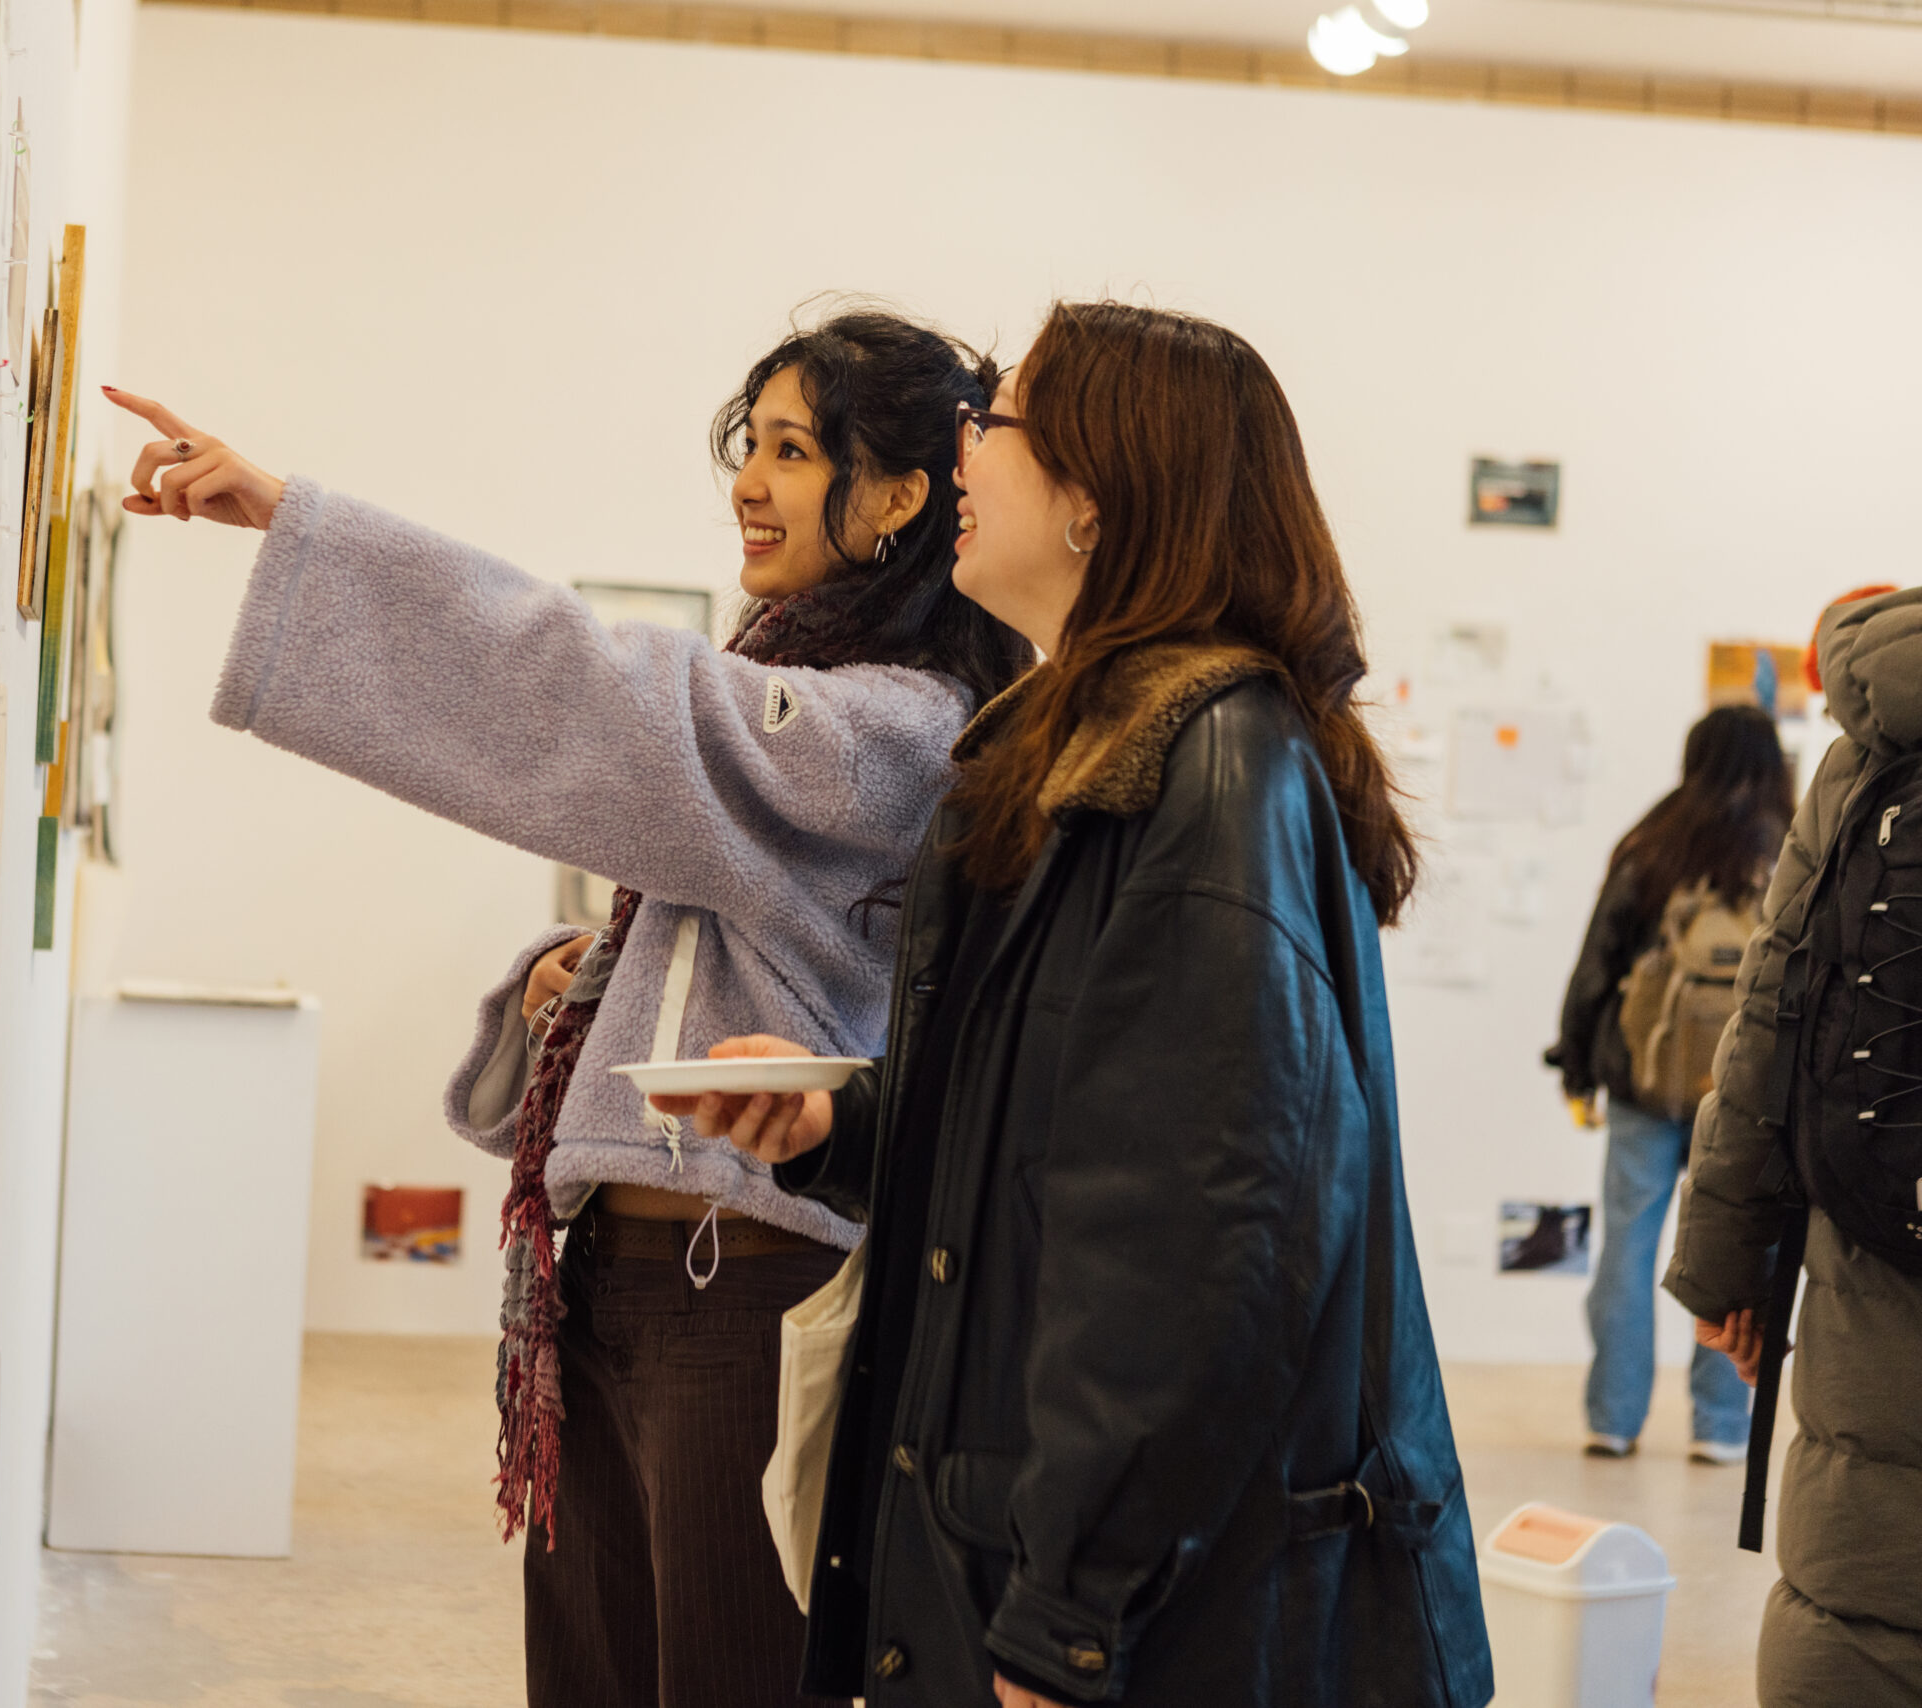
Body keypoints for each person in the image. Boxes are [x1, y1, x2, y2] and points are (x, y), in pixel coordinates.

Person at [104, 309, 1031, 1708]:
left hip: (746, 1285)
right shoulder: (805, 697)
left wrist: (300, 521)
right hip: (618, 1276)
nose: (748, 481)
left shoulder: (893, 727)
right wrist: (581, 976)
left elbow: (597, 691)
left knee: (724, 1674)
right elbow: (706, 882)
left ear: (901, 496)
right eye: (750, 445)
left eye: (793, 451)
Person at [658, 301, 1492, 1708]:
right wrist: (838, 1126)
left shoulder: (1214, 769)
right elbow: (1052, 1134)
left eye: (997, 423)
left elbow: (1202, 1242)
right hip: (1022, 1545)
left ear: (1096, 500)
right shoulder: (1071, 744)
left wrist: (1070, 1618)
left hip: (1146, 1615)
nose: (963, 453)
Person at [1669, 587, 1922, 1708]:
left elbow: (1771, 1022)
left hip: (1878, 1258)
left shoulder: (1870, 753)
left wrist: (1729, 1270)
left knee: (1861, 1605)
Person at [1548, 706, 1792, 1462]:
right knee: (1737, 1250)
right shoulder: (1790, 849)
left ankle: (1613, 1420)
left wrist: (1576, 1062)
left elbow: (1599, 961)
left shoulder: (1654, 842)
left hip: (1644, 1084)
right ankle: (1719, 1425)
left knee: (1627, 1245)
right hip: (1747, 1094)